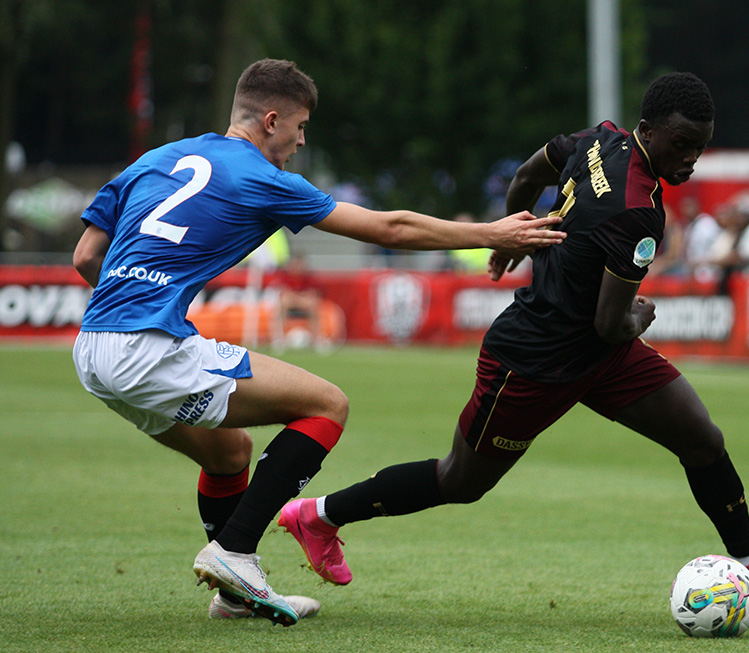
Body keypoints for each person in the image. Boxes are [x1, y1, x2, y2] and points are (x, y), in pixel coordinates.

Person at [278, 72, 749, 604]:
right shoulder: (637, 211)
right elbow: (612, 322)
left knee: (703, 441)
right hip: (534, 361)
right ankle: (318, 516)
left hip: (599, 355)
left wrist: (512, 234)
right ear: (651, 128)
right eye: (682, 144)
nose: (690, 158)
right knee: (461, 480)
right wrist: (643, 315)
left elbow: (525, 177)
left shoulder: (599, 139)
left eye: (700, 148)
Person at [70, 58, 565, 627]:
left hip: (94, 349)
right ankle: (233, 555)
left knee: (230, 453)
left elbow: (87, 256)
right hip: (148, 349)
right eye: (300, 128)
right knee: (327, 404)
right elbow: (391, 228)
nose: (302, 142)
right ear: (272, 120)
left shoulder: (156, 159)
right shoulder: (263, 178)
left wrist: (135, 304)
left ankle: (235, 595)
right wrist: (490, 233)